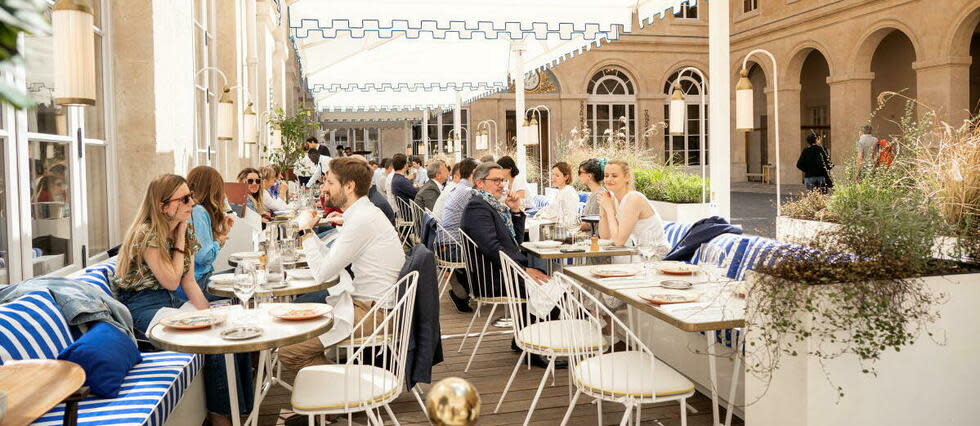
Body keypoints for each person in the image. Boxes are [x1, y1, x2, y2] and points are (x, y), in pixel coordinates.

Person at [114, 174, 252, 425]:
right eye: (185, 199)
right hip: (142, 307)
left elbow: (188, 283)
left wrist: (210, 315)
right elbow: (171, 280)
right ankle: (220, 417)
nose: (192, 203)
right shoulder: (148, 233)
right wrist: (179, 239)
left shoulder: (184, 227)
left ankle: (241, 409)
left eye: (192, 196)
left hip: (167, 302)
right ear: (162, 205)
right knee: (212, 342)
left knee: (230, 331)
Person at [278, 157, 405, 371]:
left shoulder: (361, 219)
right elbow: (330, 260)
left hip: (376, 314)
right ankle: (339, 391)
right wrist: (311, 234)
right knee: (296, 325)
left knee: (289, 350)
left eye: (329, 182)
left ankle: (345, 393)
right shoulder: (361, 214)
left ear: (349, 186)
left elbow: (321, 274)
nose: (324, 188)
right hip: (368, 305)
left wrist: (305, 232)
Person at [461, 162, 548, 290]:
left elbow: (515, 243)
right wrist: (522, 270)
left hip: (506, 271)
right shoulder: (477, 207)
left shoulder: (491, 205)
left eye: (502, 180)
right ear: (480, 183)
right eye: (496, 181)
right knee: (557, 292)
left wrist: (515, 210)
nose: (501, 185)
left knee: (556, 286)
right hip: (495, 277)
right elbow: (492, 249)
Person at [597, 160, 669, 253]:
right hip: (639, 252)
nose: (609, 179)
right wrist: (603, 209)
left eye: (614, 176)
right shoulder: (613, 198)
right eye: (606, 176)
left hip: (655, 255)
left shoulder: (633, 198)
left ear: (626, 177)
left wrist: (609, 209)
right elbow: (605, 237)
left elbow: (619, 242)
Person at [186, 166, 234, 299]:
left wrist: (223, 233)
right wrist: (219, 241)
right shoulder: (198, 211)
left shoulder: (194, 210)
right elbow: (203, 257)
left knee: (243, 275)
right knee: (248, 279)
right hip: (199, 283)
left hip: (196, 281)